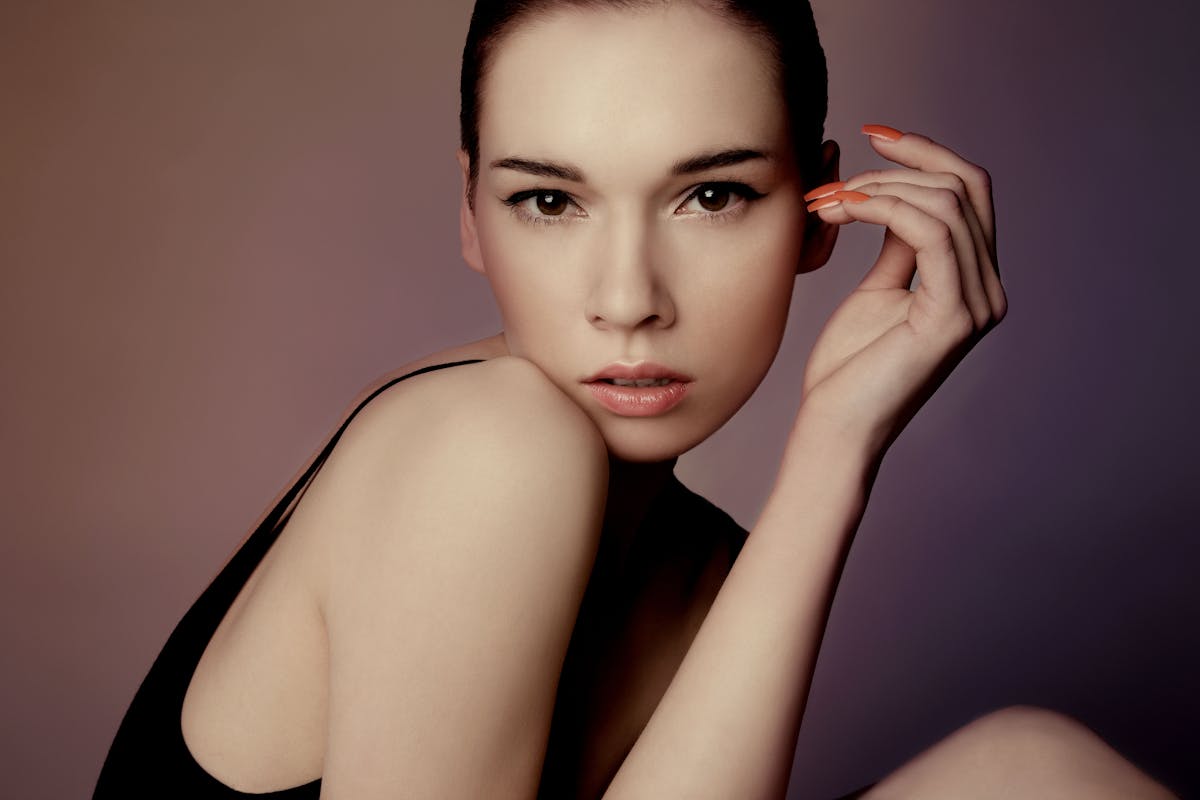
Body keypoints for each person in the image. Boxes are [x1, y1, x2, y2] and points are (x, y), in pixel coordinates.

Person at [94, 1, 1178, 798]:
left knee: (1033, 773)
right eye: (548, 200)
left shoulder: (710, 574)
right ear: (471, 213)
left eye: (712, 194)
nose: (628, 299)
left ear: (818, 212)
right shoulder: (483, 443)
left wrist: (837, 443)